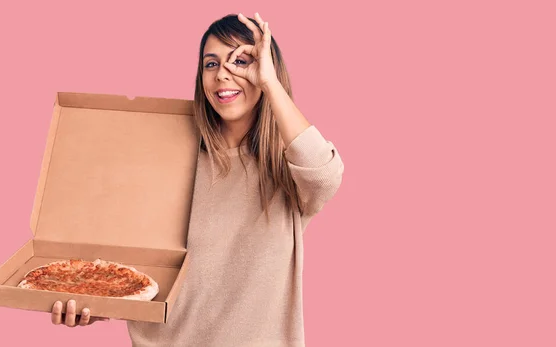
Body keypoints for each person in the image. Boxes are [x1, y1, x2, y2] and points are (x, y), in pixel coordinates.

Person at [50, 12, 344, 347]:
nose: (223, 75)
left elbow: (325, 175)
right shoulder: (170, 159)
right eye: (211, 64)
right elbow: (146, 269)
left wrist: (270, 83)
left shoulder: (286, 169)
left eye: (241, 61)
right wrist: (99, 300)